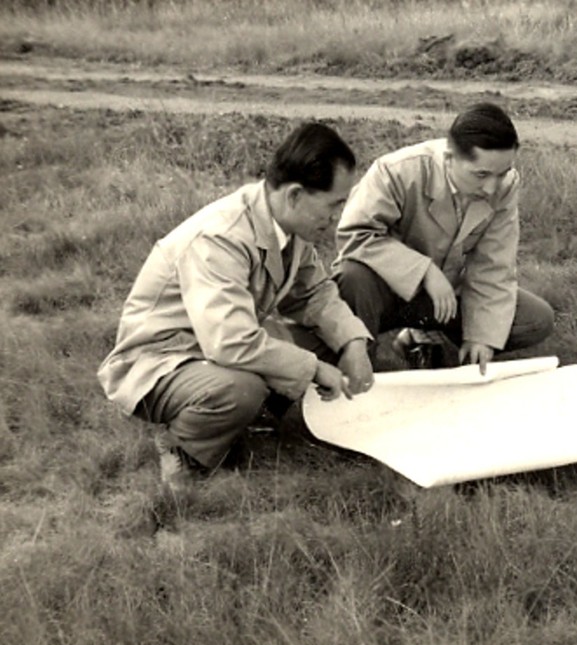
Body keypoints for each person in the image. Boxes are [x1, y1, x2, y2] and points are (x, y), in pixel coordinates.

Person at [98, 122, 374, 491]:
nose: (337, 216)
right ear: (294, 195)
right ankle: (183, 448)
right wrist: (314, 368)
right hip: (162, 361)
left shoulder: (289, 224)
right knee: (240, 389)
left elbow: (315, 295)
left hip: (214, 349)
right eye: (334, 204)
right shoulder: (220, 236)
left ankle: (246, 424)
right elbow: (230, 343)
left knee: (325, 341)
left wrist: (353, 344)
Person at [332, 102, 554, 374]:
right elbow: (354, 234)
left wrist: (481, 336)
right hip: (383, 292)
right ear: (449, 158)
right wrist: (425, 271)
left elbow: (494, 264)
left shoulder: (504, 186)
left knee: (536, 320)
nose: (492, 187)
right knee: (351, 276)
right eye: (481, 174)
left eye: (503, 173)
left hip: (445, 294)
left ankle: (423, 340)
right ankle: (359, 365)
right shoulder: (396, 170)